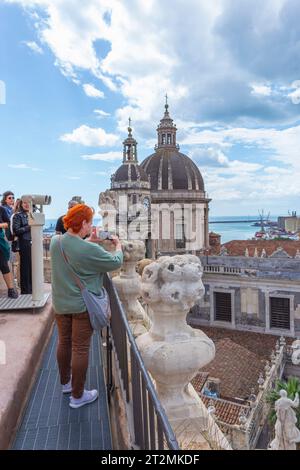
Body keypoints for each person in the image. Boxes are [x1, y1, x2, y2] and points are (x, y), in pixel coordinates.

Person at [50, 204, 123, 409]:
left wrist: (89, 240)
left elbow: (75, 251)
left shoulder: (57, 241)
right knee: (80, 349)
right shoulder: (89, 249)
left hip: (60, 304)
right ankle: (78, 395)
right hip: (82, 307)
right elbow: (115, 262)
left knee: (63, 343)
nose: (91, 225)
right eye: (90, 222)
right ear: (83, 223)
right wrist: (118, 246)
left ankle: (66, 384)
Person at [12, 198, 32, 294]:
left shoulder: (32, 215)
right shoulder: (18, 216)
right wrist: (29, 227)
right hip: (24, 243)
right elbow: (16, 230)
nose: (27, 204)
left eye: (28, 202)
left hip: (32, 243)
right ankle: (26, 290)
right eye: (25, 203)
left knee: (32, 267)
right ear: (21, 204)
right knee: (25, 267)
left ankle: (32, 289)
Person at [0, 204, 18, 298]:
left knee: (4, 265)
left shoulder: (1, 209)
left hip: (0, 242)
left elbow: (7, 224)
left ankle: (11, 290)